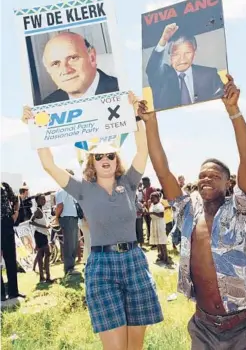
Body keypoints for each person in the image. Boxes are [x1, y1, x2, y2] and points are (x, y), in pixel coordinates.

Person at [21, 92, 163, 350]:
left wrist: (135, 116)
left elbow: (142, 149)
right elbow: (48, 165)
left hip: (134, 262)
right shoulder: (82, 188)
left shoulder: (129, 182)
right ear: (91, 162)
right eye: (99, 156)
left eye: (110, 155)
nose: (105, 159)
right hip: (101, 266)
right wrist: (36, 128)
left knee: (135, 348)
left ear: (116, 159)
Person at [140, 74, 246, 349]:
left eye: (214, 176)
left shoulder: (240, 210)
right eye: (202, 176)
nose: (205, 179)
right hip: (204, 328)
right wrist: (151, 122)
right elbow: (162, 170)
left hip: (244, 327)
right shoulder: (186, 211)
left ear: (228, 183)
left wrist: (233, 111)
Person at [146, 23, 224, 110]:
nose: (182, 59)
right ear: (170, 56)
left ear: (194, 53)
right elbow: (152, 69)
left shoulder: (210, 75)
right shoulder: (161, 76)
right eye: (176, 54)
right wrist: (163, 40)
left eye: (187, 53)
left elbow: (222, 103)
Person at [39, 32, 119, 105]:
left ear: (92, 58)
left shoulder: (123, 90)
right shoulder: (47, 105)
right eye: (56, 63)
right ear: (48, 70)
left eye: (73, 58)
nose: (66, 70)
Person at [1, 182, 25, 301]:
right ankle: (1, 294)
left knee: (10, 259)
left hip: (6, 223)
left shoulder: (4, 185)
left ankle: (13, 292)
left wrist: (15, 213)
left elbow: (16, 199)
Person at [55, 169, 80, 276]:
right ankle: (68, 268)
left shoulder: (71, 190)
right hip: (67, 218)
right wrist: (56, 218)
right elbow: (59, 206)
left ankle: (71, 266)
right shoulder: (61, 190)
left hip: (73, 218)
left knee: (74, 243)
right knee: (69, 243)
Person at [30, 194, 52, 283]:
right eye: (42, 199)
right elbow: (31, 221)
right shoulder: (38, 210)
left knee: (44, 255)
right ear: (37, 201)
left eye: (44, 199)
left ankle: (45, 277)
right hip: (39, 235)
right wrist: (44, 226)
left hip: (42, 234)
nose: (44, 200)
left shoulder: (41, 210)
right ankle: (45, 277)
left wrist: (46, 226)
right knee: (44, 254)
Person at [148, 192, 169, 264]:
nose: (151, 199)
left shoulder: (160, 205)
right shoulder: (151, 205)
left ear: (157, 198)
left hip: (159, 223)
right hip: (154, 223)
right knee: (157, 241)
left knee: (162, 240)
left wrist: (152, 213)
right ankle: (160, 255)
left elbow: (161, 215)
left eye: (153, 198)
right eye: (151, 198)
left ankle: (166, 258)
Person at [142, 177, 156, 242]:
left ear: (148, 182)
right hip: (146, 211)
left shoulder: (152, 189)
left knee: (152, 225)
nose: (143, 184)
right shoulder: (144, 190)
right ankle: (149, 238)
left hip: (151, 210)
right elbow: (144, 199)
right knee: (148, 225)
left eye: (144, 182)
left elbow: (155, 199)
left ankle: (153, 240)